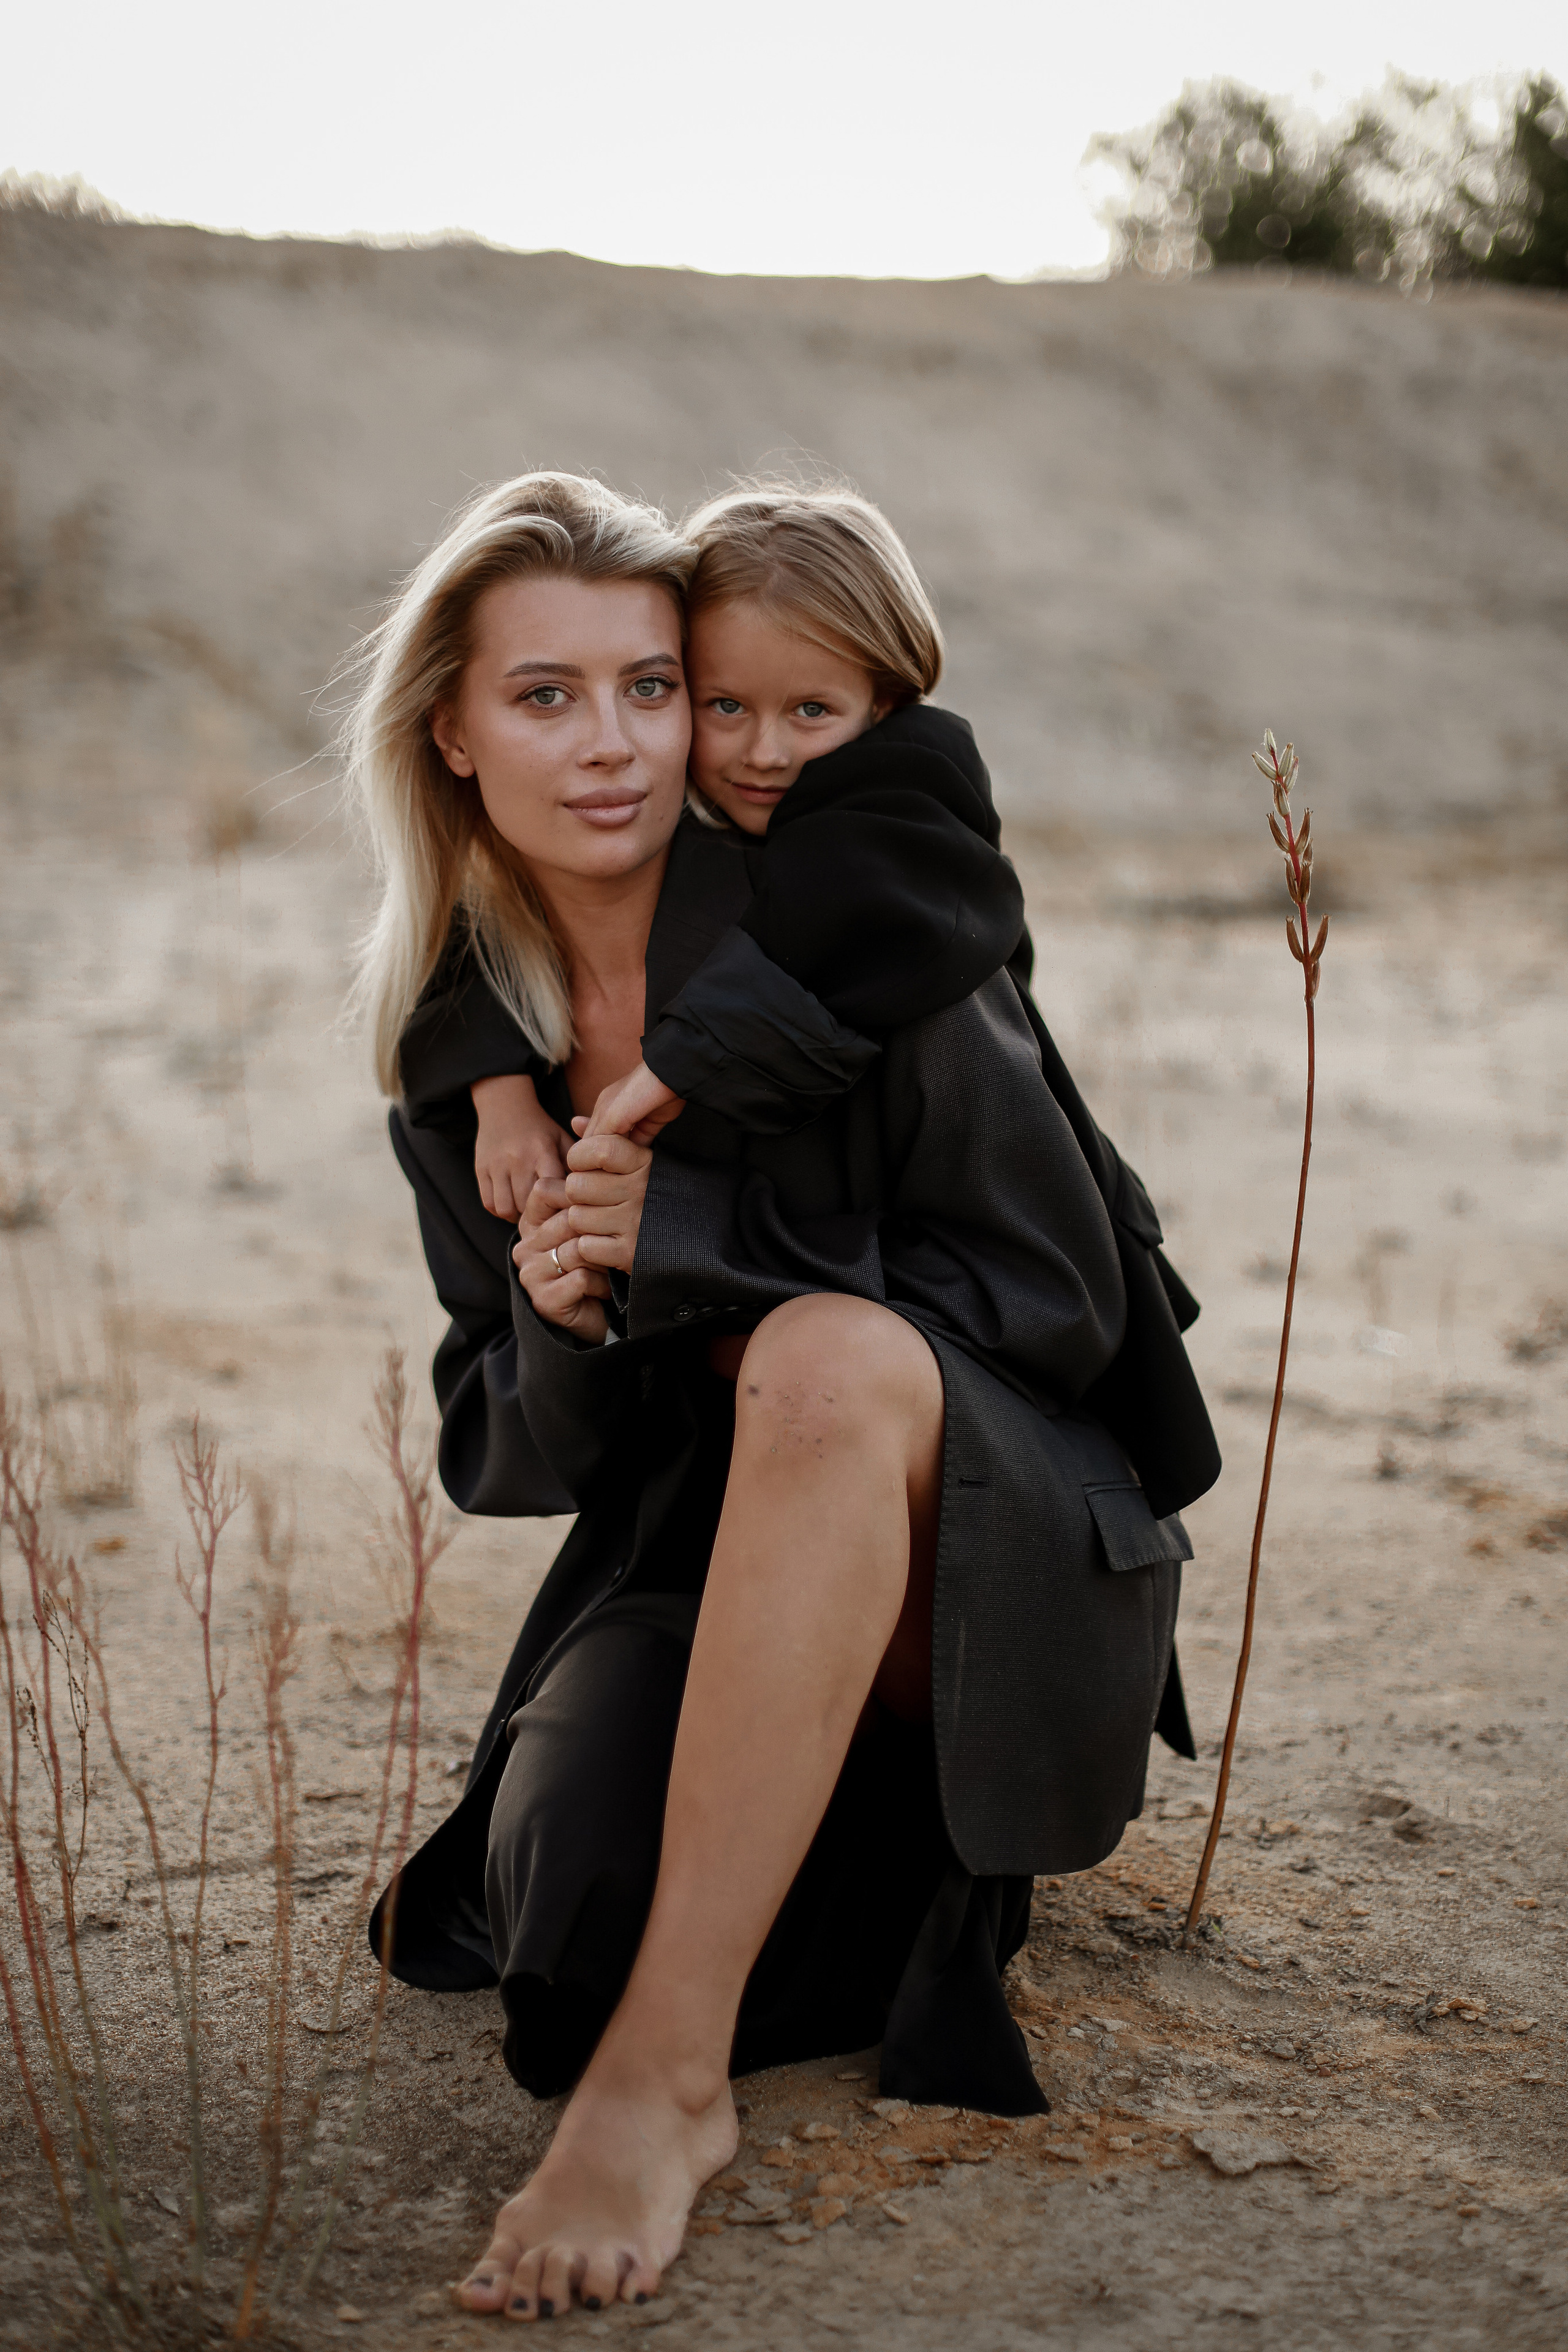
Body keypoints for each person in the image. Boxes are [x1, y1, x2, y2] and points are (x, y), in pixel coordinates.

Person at [348, 471, 1219, 2320]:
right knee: (555, 1930)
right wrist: (568, 1316)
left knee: (824, 1361)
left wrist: (701, 1244)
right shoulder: (465, 1051)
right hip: (715, 1543)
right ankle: (752, 1900)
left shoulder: (852, 932)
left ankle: (667, 2087)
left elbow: (1053, 1302)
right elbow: (503, 1451)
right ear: (451, 729)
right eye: (546, 695)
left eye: (651, 687)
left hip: (986, 1538)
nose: (617, 746)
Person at [395, 481, 1027, 1215]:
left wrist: (674, 1073)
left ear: (882, 709)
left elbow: (854, 895)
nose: (766, 752)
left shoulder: (898, 860)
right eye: (724, 704)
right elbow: (487, 1321)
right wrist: (496, 1090)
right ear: (451, 735)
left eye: (648, 686)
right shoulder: (471, 1001)